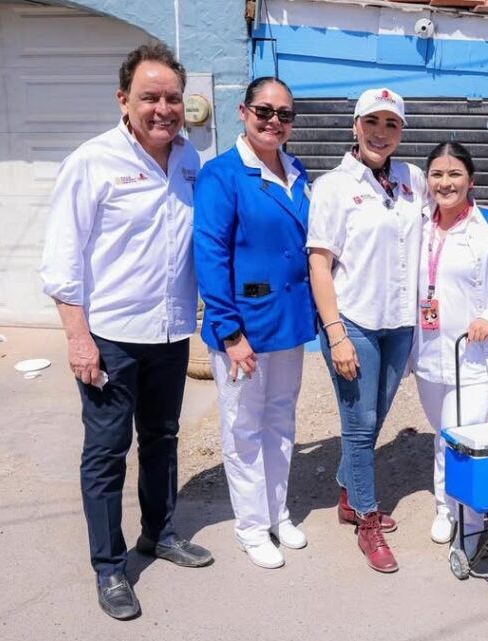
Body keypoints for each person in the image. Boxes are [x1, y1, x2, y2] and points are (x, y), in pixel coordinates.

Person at [39, 44, 212, 621]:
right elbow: (61, 261)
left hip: (170, 333)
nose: (164, 108)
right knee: (107, 452)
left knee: (162, 438)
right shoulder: (91, 162)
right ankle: (109, 567)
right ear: (123, 100)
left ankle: (158, 533)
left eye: (172, 98)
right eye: (150, 97)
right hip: (110, 337)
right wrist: (77, 338)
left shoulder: (190, 160)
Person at [193, 77, 315, 570]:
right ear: (243, 112)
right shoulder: (221, 175)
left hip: (288, 323)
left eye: (284, 114)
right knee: (243, 427)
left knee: (280, 420)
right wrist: (229, 332)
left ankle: (276, 512)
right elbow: (210, 254)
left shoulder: (296, 169)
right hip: (243, 327)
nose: (274, 122)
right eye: (264, 111)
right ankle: (249, 526)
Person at [307, 87, 424, 573]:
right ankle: (367, 518)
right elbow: (319, 262)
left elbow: (451, 211)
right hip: (353, 321)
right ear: (355, 126)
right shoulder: (333, 186)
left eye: (391, 124)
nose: (381, 132)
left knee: (373, 421)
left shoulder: (413, 178)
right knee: (359, 426)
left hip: (399, 323)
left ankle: (349, 494)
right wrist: (335, 334)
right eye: (372, 122)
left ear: (401, 131)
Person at [411, 142, 488, 552]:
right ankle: (446, 507)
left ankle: (469, 522)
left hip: (475, 355)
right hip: (428, 353)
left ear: (471, 180)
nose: (445, 183)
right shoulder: (417, 223)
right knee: (444, 434)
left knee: (462, 437)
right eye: (437, 174)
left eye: (454, 174)